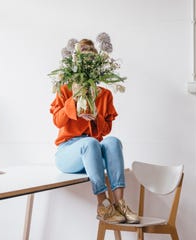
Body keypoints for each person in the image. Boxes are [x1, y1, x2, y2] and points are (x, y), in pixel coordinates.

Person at [50, 39, 139, 224]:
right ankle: (103, 205)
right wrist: (74, 101)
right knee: (90, 143)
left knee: (113, 141)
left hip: (94, 155)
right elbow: (57, 121)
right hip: (69, 153)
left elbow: (106, 129)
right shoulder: (66, 89)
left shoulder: (104, 94)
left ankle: (120, 203)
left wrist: (96, 115)